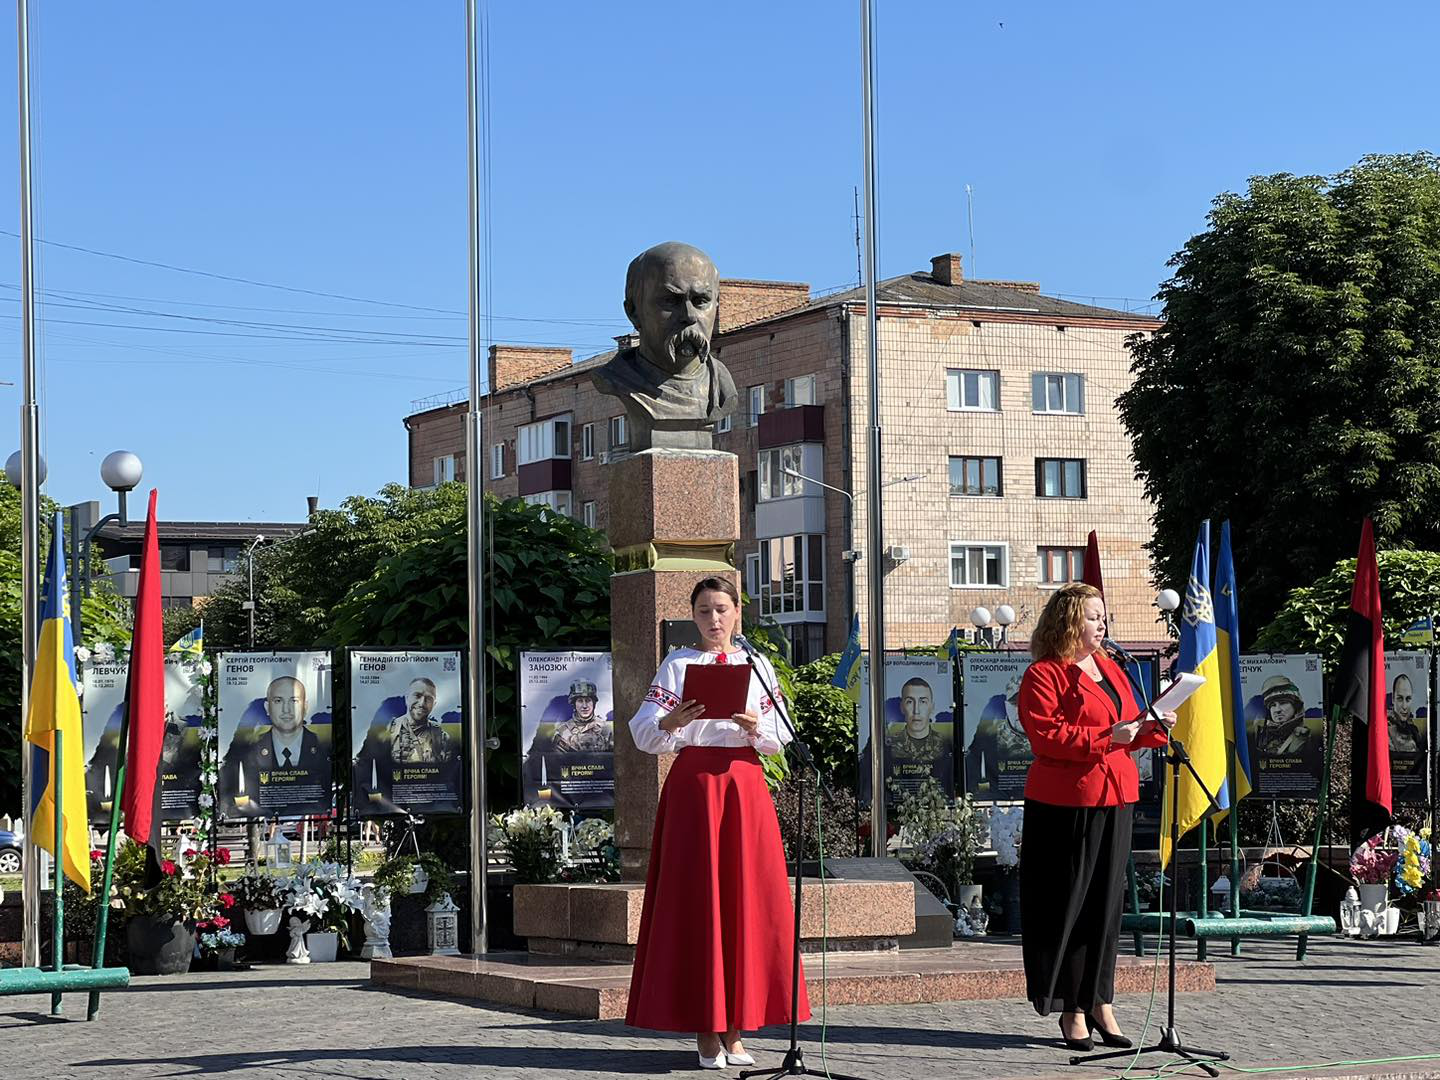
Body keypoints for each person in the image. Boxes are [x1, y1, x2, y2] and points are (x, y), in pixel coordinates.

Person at [625, 576, 808, 1069]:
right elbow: (642, 730)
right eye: (704, 610)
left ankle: (737, 1031)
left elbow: (780, 735)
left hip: (745, 786)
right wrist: (674, 720)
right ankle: (706, 1032)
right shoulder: (678, 664)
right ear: (694, 615)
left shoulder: (759, 664)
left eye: (722, 609)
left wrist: (755, 728)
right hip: (696, 786)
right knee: (700, 902)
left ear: (737, 613)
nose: (714, 619)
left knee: (745, 901)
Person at [1016, 582, 1173, 1053]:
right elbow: (1047, 737)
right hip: (1067, 802)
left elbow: (1128, 727)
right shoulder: (1044, 675)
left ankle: (1102, 1000)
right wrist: (1111, 736)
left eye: (1104, 616)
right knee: (1072, 908)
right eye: (1092, 616)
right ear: (1068, 622)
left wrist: (1155, 727)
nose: (1102, 624)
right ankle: (1072, 1008)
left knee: (1107, 907)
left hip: (1115, 794)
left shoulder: (1112, 668)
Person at [220, 675, 331, 817]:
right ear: (267, 707)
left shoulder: (323, 748)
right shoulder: (248, 753)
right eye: (278, 701)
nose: (286, 710)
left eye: (294, 701)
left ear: (305, 706)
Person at [352, 677, 461, 813]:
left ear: (435, 703)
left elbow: (449, 774)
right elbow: (366, 764)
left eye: (429, 698)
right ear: (407, 698)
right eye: (417, 695)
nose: (422, 703)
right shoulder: (387, 732)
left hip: (429, 803)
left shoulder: (442, 737)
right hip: (394, 802)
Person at [1254, 675, 1320, 774]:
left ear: (1296, 706)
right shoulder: (1261, 735)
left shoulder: (1308, 737)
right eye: (1272, 705)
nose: (1277, 710)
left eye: (1283, 703)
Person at [1388, 673, 1423, 754]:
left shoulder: (1414, 730)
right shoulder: (1385, 728)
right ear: (1393, 699)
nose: (1404, 706)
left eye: (1408, 699)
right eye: (1400, 699)